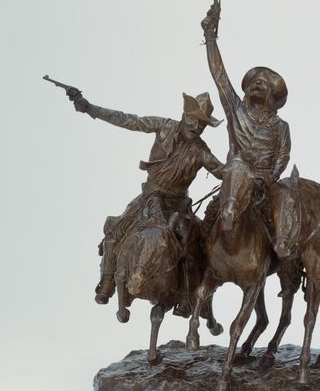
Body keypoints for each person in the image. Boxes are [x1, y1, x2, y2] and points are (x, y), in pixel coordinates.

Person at [66, 91, 224, 305]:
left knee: (194, 245)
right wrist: (91, 109)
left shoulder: (201, 150)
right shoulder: (164, 126)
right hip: (151, 196)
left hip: (178, 205)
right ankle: (107, 280)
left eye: (202, 124)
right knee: (115, 231)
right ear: (184, 114)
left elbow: (222, 171)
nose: (196, 126)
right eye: (192, 119)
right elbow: (129, 121)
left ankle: (186, 294)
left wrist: (246, 168)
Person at [200, 2, 291, 185]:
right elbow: (219, 75)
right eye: (254, 82)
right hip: (237, 178)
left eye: (263, 83)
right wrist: (210, 36)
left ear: (272, 94)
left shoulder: (281, 126)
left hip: (265, 181)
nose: (257, 83)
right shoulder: (236, 110)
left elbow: (283, 154)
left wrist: (272, 176)